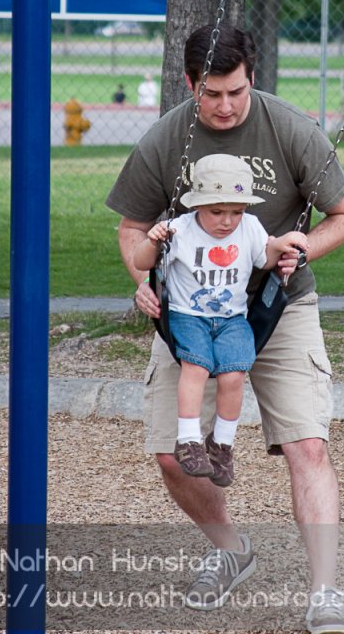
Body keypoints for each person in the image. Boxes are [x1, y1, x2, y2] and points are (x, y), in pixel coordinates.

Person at [106, 23, 344, 634]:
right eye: (213, 93)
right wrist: (141, 279)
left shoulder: (289, 128)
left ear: (253, 78)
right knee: (172, 455)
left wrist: (304, 246)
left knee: (308, 444)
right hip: (193, 311)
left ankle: (326, 592)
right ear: (191, 83)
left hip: (278, 305)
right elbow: (130, 228)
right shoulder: (168, 138)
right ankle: (230, 550)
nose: (225, 106)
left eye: (238, 92)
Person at [132, 153, 309, 488]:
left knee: (234, 374)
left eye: (236, 212)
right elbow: (143, 262)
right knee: (196, 367)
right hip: (188, 316)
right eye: (217, 212)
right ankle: (189, 440)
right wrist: (153, 241)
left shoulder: (250, 227)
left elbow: (265, 257)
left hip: (231, 319)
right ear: (198, 205)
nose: (228, 221)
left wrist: (282, 245)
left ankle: (222, 445)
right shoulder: (179, 231)